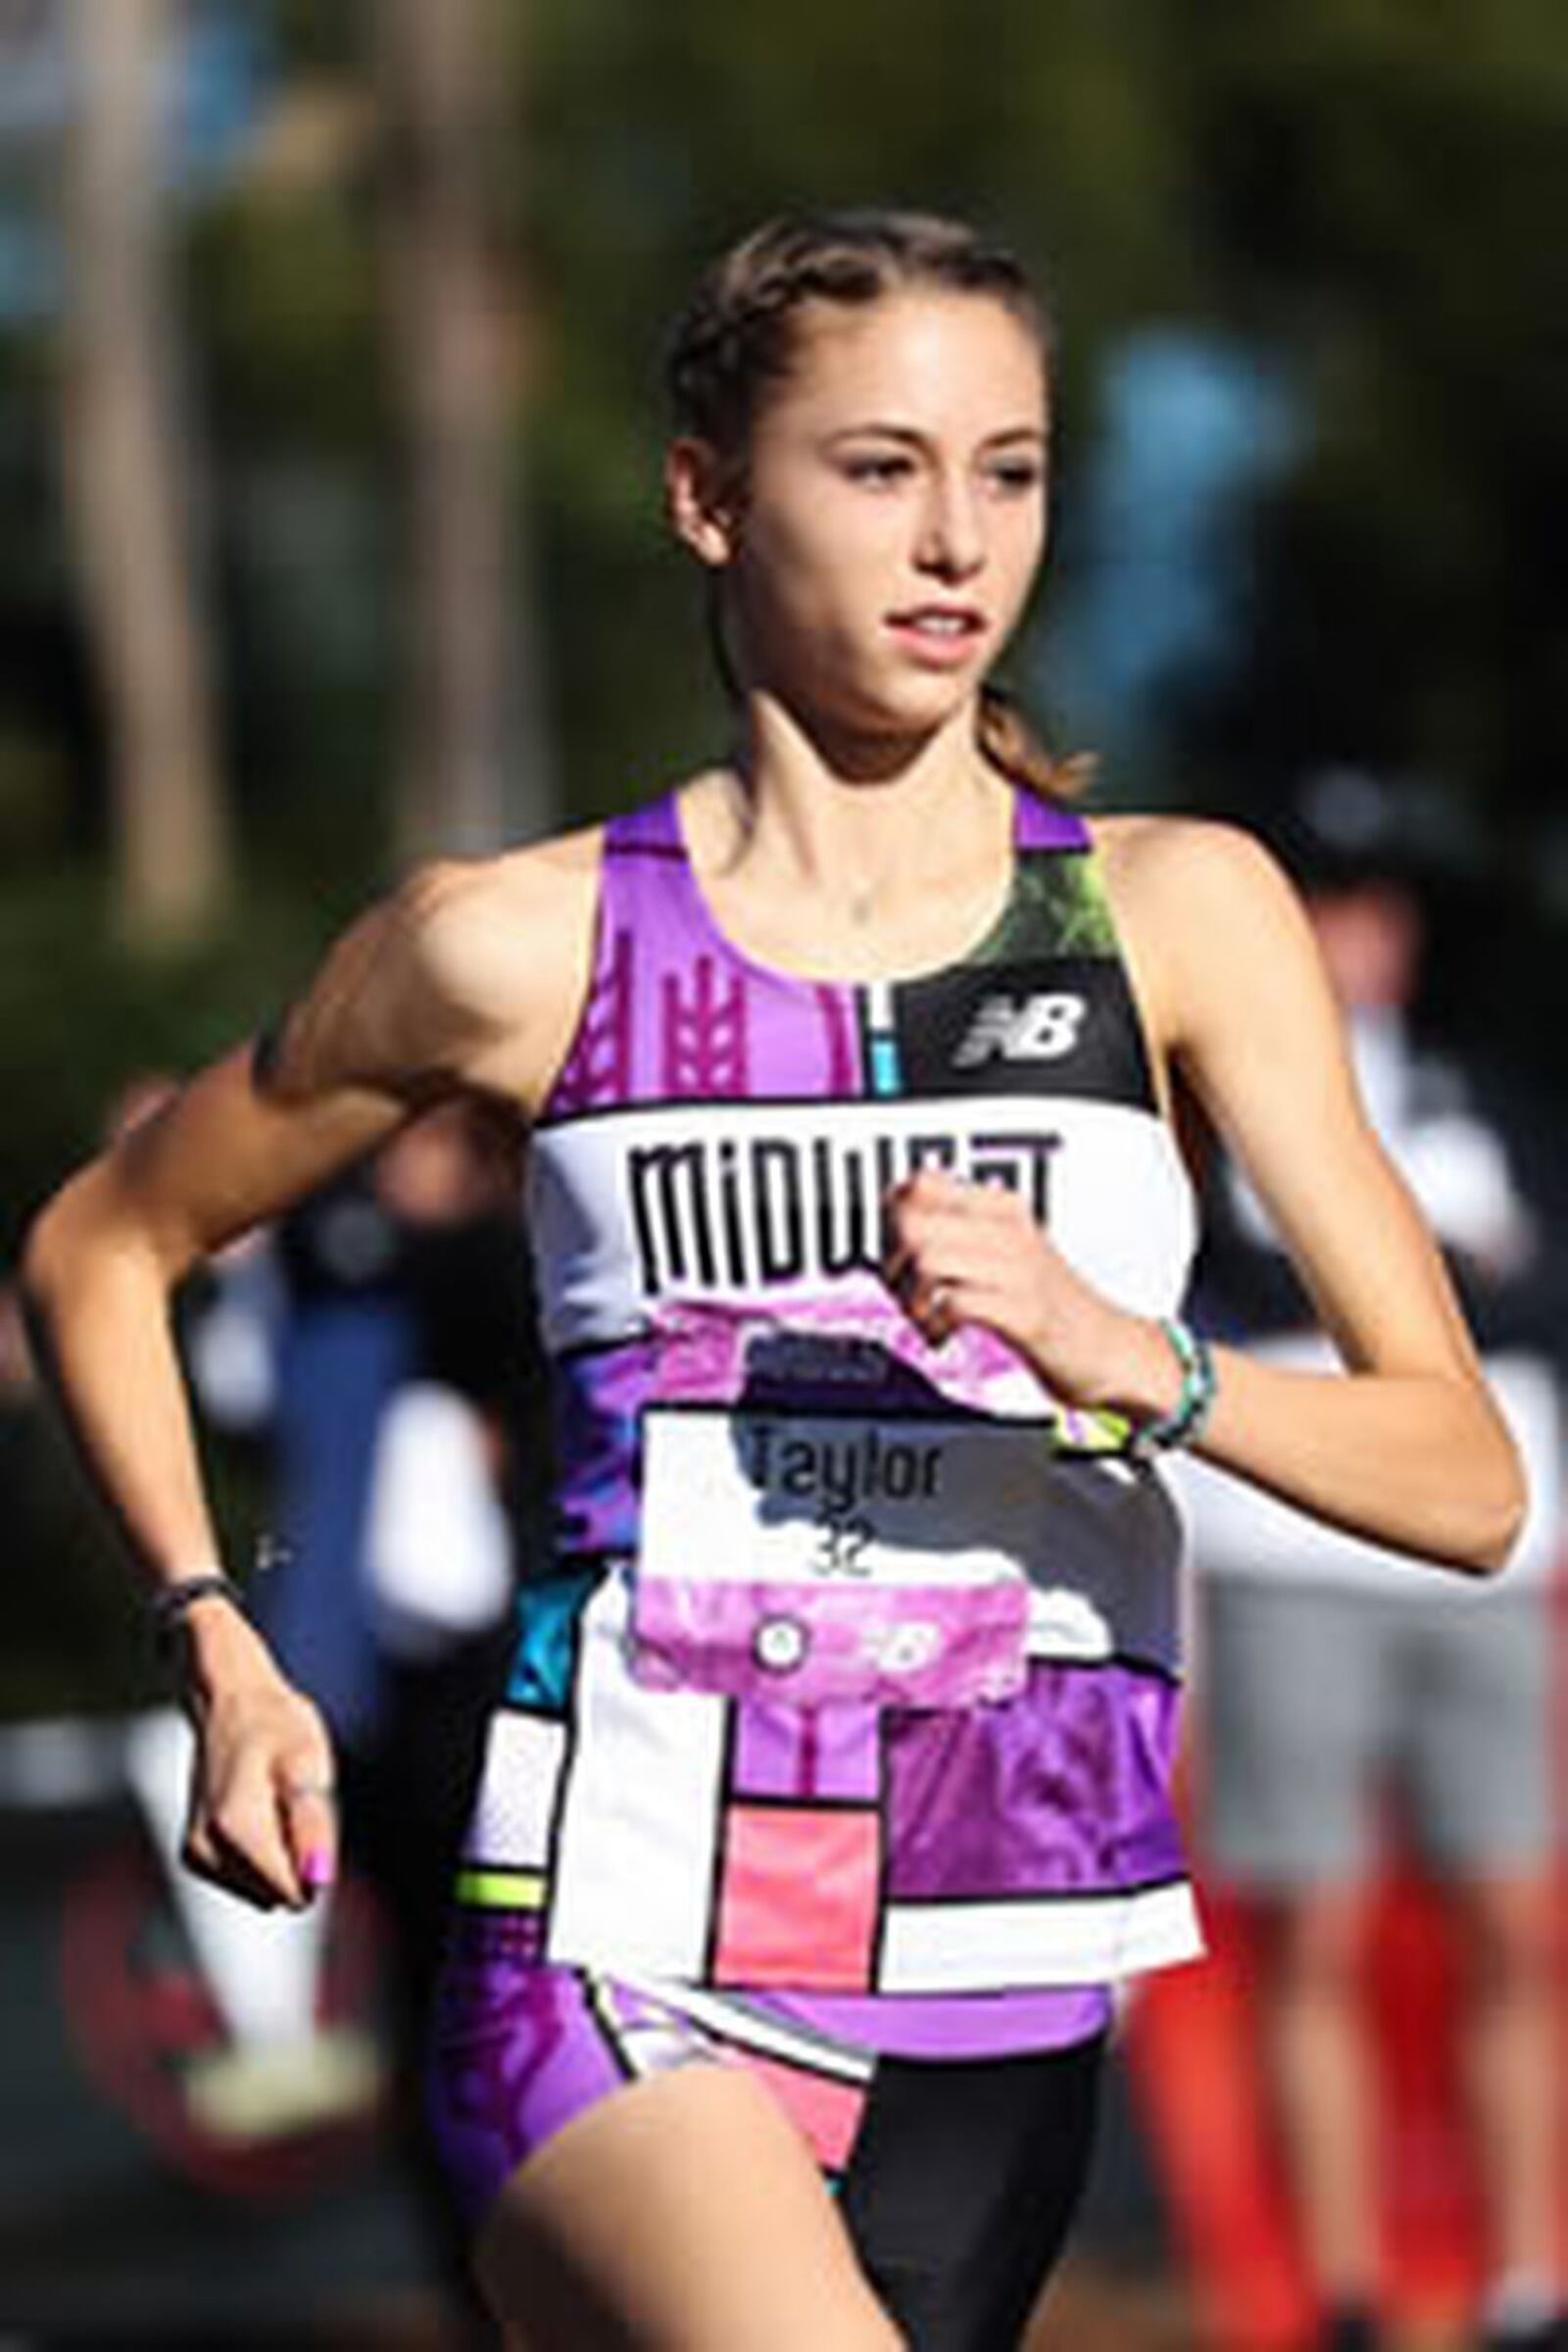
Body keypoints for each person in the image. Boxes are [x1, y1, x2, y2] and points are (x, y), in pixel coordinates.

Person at [21, 210, 1526, 2352]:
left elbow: (1461, 1478)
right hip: (615, 1912)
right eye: (877, 466)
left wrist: (1130, 1359)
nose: (953, 541)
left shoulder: (1173, 920)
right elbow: (108, 1243)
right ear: (706, 496)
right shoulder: (515, 945)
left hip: (1002, 1947)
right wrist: (217, 1640)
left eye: (1006, 470)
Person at [1179, 781, 1564, 2352]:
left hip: (1481, 1565)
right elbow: (1220, 1291)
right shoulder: (1211, 1114)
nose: (1353, 936)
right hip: (1287, 1555)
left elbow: (1537, 1304)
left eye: (1374, 904)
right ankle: (1335, 2297)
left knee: (1514, 1920)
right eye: (1325, 903)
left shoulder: (1490, 1092)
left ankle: (1533, 2287)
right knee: (1313, 1928)